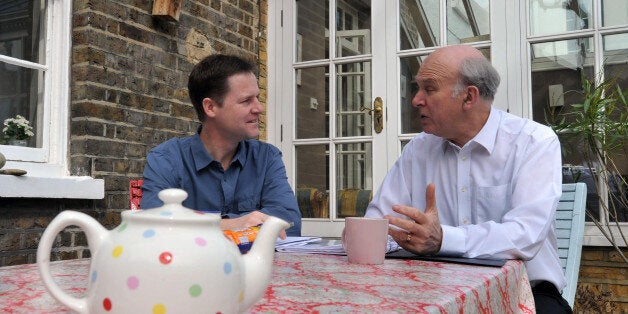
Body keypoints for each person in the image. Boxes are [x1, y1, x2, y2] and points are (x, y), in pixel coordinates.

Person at [364, 45, 571, 313]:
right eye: (418, 88)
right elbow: (379, 222)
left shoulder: (533, 142)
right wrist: (367, 235)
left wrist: (442, 239)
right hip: (432, 289)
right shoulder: (418, 149)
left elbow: (524, 235)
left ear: (469, 97)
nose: (416, 100)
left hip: (523, 293)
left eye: (429, 88)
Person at [140, 54, 301, 237]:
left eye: (257, 98)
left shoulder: (267, 158)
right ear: (210, 107)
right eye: (246, 100)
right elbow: (153, 224)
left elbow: (290, 223)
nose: (259, 108)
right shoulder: (167, 159)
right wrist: (230, 224)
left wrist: (200, 224)